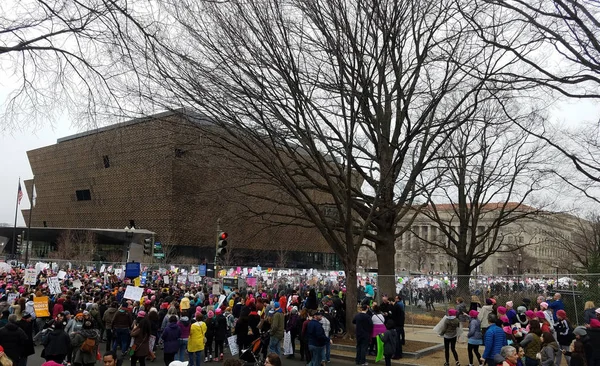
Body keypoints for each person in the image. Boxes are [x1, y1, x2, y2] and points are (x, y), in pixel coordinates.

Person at [391, 295, 405, 359]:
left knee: (396, 341)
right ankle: (399, 353)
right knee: (398, 340)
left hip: (397, 326)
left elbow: (393, 315)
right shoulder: (401, 312)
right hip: (400, 325)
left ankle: (397, 354)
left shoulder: (397, 306)